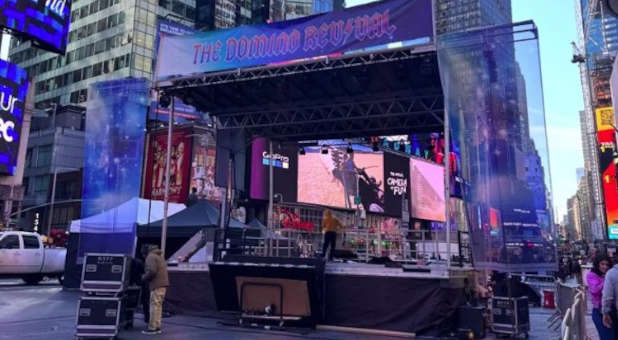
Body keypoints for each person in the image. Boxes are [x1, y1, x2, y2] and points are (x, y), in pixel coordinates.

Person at [141, 245, 169, 335]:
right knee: (158, 306)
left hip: (156, 285)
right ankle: (157, 326)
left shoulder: (150, 257)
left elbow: (152, 271)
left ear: (144, 253)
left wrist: (143, 277)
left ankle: (152, 328)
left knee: (153, 306)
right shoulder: (158, 256)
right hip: (163, 284)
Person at [590, 255, 614, 340]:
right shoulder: (591, 275)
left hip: (610, 311)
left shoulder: (610, 275)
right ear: (597, 264)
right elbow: (594, 290)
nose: (605, 267)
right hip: (598, 312)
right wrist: (607, 280)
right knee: (607, 337)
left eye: (607, 265)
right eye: (602, 264)